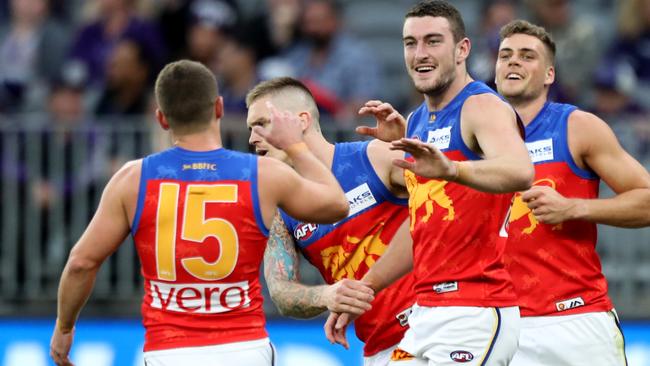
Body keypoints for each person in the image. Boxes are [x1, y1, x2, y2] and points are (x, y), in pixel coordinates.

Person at [49, 60, 349, 366]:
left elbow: (81, 263)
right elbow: (337, 204)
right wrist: (296, 146)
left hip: (168, 351)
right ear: (218, 108)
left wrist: (64, 327)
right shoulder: (262, 174)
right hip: (245, 349)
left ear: (161, 119)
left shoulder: (133, 179)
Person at [326, 1, 534, 365]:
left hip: (475, 309)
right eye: (411, 43)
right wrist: (365, 289)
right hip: (425, 312)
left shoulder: (480, 106)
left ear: (462, 49)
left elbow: (520, 171)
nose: (419, 53)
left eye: (433, 41)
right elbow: (421, 223)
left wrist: (452, 170)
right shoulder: (418, 119)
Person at [494, 19, 650, 365]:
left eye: (527, 56)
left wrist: (574, 208)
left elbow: (647, 200)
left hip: (574, 320)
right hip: (498, 325)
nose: (513, 62)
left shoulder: (577, 127)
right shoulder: (471, 138)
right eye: (505, 55)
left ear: (550, 74)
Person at [246, 76, 417, 365]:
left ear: (301, 121)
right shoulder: (281, 211)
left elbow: (449, 198)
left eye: (263, 123)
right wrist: (326, 295)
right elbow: (280, 291)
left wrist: (412, 140)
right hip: (380, 349)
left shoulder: (373, 158)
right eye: (250, 129)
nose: (252, 139)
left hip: (431, 325)